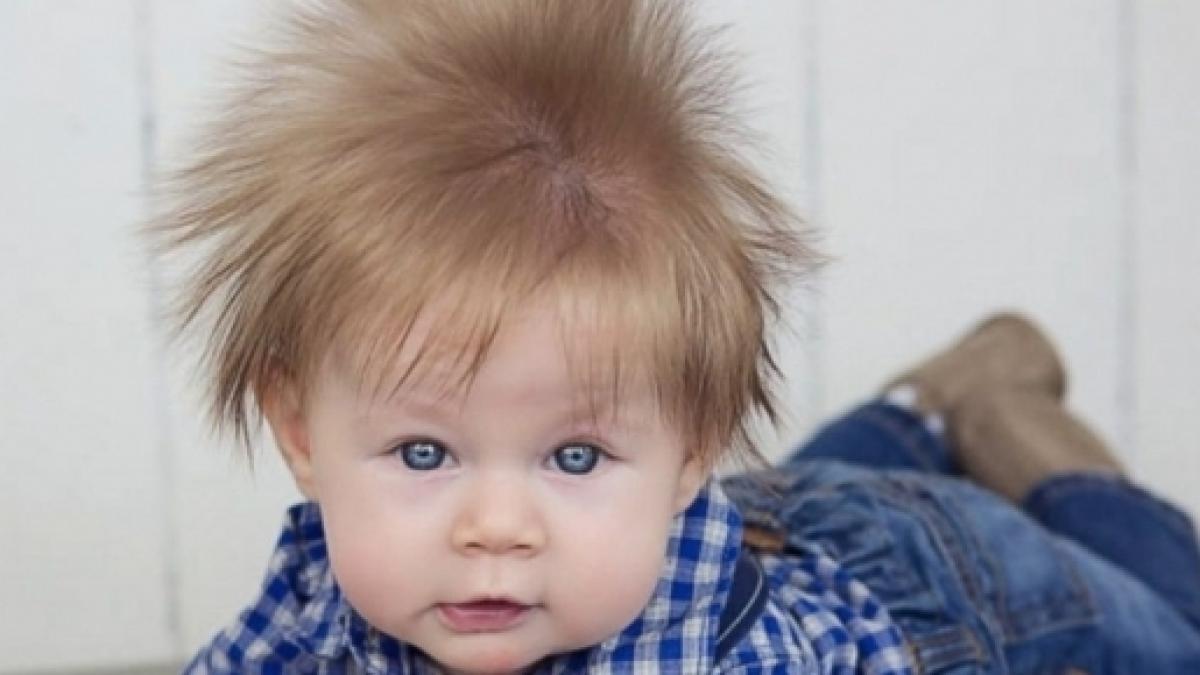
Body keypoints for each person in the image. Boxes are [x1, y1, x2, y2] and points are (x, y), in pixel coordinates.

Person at [147, 1, 1200, 672]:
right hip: (745, 526)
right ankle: (915, 408)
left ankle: (1006, 415)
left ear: (698, 444)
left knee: (1178, 627)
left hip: (952, 586)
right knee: (754, 510)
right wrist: (598, 469)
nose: (496, 528)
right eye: (424, 453)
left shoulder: (737, 666)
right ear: (300, 430)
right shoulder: (326, 591)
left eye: (573, 455)